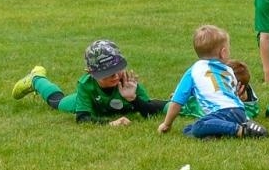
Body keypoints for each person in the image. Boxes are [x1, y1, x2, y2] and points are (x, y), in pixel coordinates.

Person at [12, 40, 164, 125]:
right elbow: (83, 119)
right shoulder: (86, 85)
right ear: (91, 73)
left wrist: (133, 99)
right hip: (87, 105)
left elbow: (151, 111)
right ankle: (36, 78)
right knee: (56, 102)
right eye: (107, 74)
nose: (115, 76)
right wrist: (111, 124)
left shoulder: (128, 82)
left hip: (113, 105)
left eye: (117, 70)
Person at [159, 25, 269, 139]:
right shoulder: (228, 70)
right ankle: (217, 134)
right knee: (188, 129)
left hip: (222, 113)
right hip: (240, 112)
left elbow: (177, 101)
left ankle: (241, 130)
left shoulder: (194, 70)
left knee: (199, 125)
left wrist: (167, 124)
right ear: (224, 52)